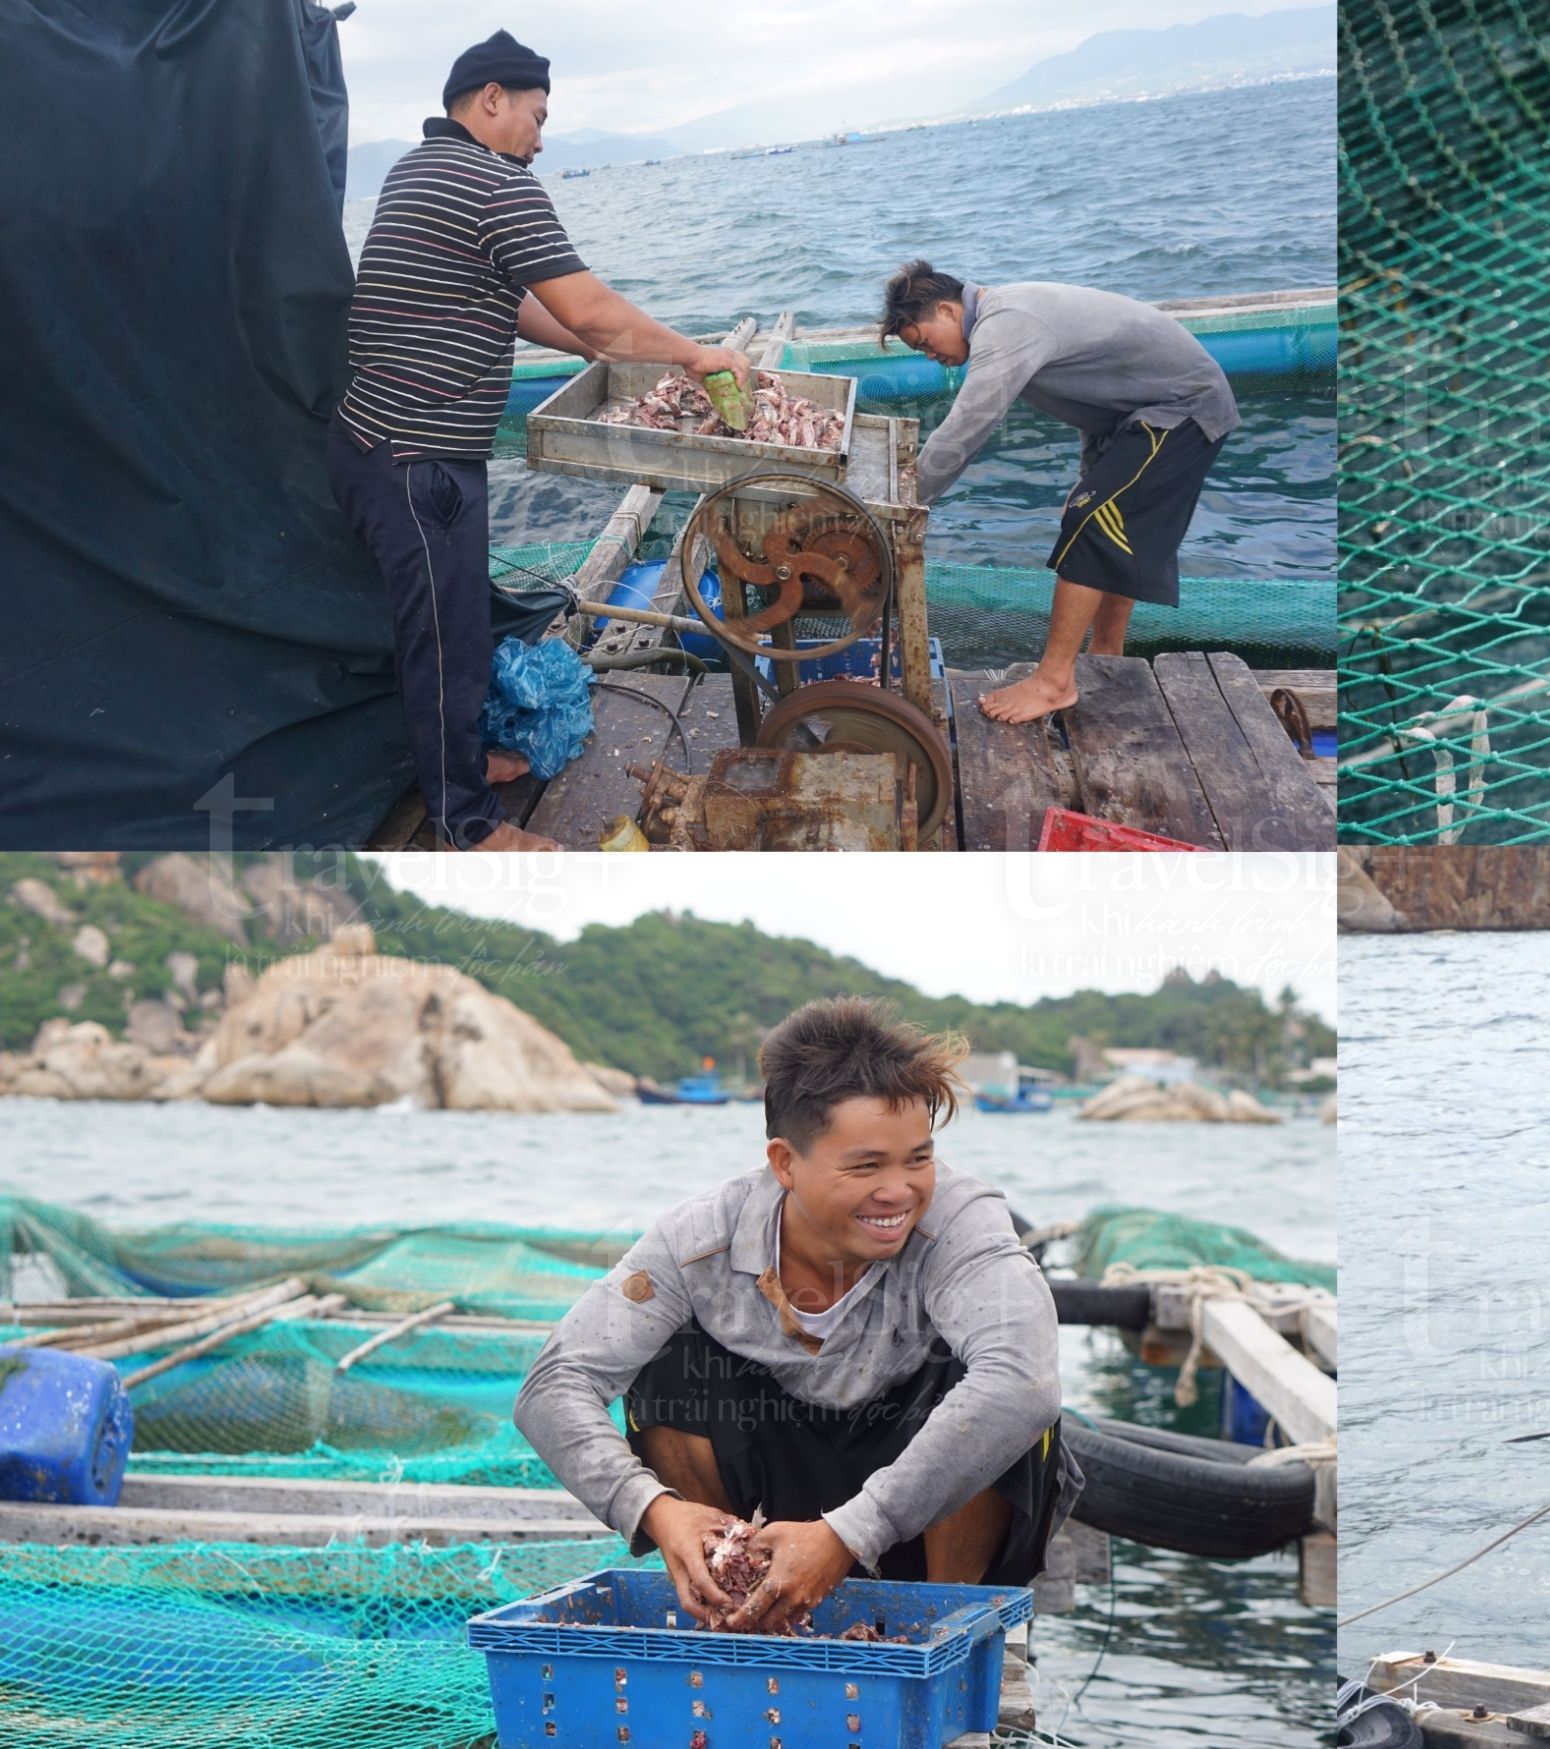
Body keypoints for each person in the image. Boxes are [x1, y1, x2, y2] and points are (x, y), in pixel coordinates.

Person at [514, 998, 1080, 1632]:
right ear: (785, 1162)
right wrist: (652, 1508)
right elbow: (553, 1385)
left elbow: (1023, 1384)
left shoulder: (962, 1223)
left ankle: (939, 1626)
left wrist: (848, 1533)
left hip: (920, 1504)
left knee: (1006, 1391)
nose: (899, 1191)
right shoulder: (699, 1240)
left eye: (918, 1158)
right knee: (669, 1365)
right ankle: (740, 1602)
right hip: (770, 1495)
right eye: (865, 1165)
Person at [328, 30, 752, 851]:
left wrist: (588, 345)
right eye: (537, 113)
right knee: (444, 641)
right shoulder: (495, 181)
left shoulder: (420, 168)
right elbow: (594, 308)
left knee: (446, 625)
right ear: (493, 99)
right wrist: (696, 355)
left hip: (373, 444)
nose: (542, 135)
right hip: (418, 458)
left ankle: (456, 760)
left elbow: (506, 297)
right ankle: (467, 824)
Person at [879, 261, 1239, 724]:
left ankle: (1053, 682)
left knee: (1089, 523)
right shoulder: (1007, 315)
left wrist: (904, 501)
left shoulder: (1006, 325)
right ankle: (1108, 657)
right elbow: (1101, 402)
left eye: (925, 342)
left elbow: (966, 428)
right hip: (1147, 416)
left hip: (1182, 411)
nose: (929, 355)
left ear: (948, 310)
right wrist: (1091, 475)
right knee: (1105, 520)